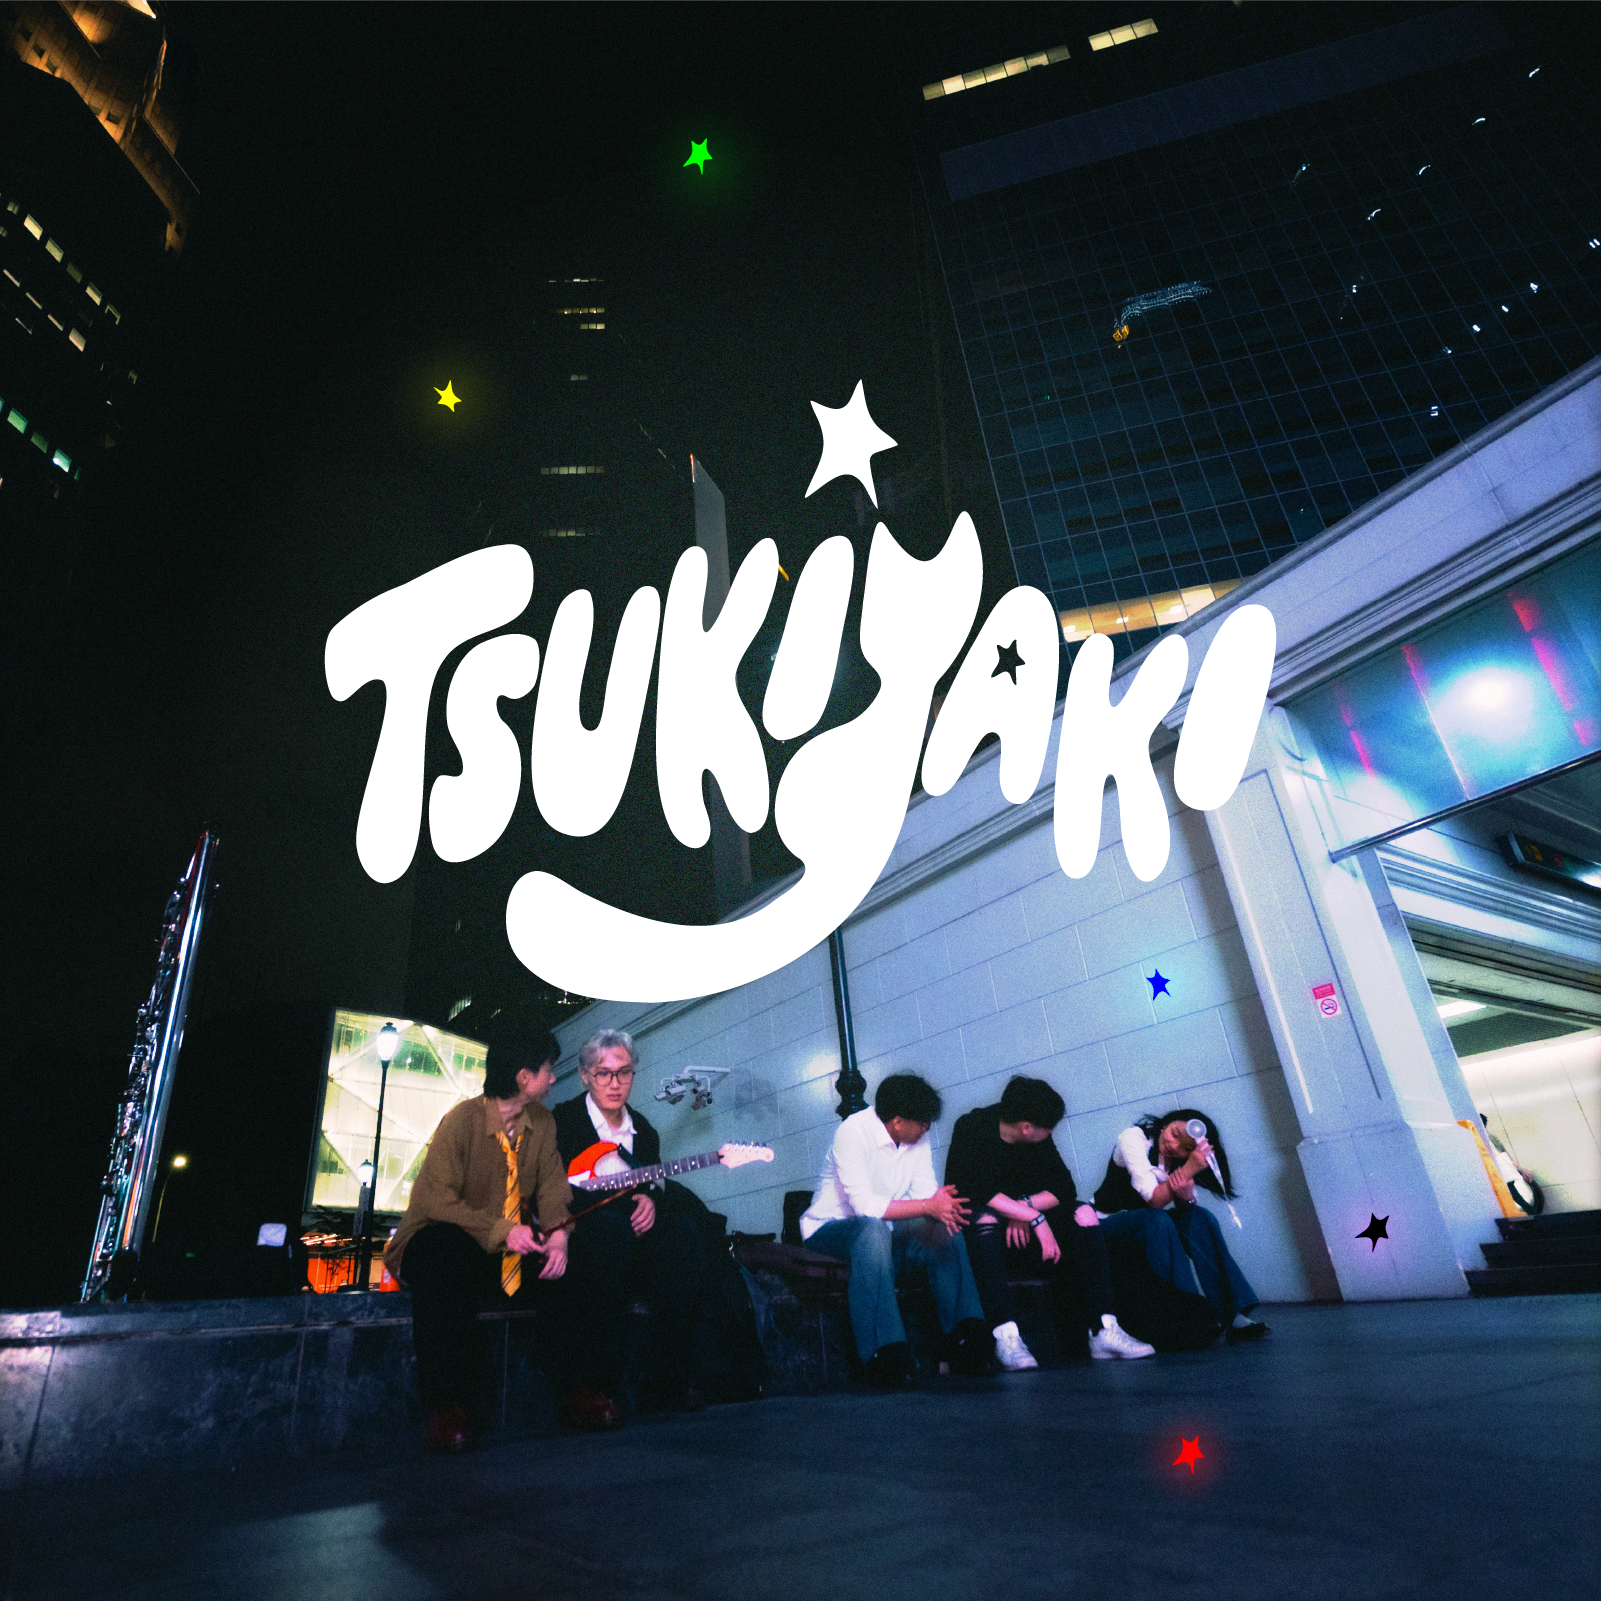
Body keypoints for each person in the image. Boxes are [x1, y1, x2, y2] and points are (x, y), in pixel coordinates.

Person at [384, 1031, 578, 1453]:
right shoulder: (462, 1120)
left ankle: (577, 1391)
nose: (553, 1077)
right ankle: (446, 1406)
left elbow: (552, 1189)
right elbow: (436, 1202)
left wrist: (559, 1236)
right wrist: (504, 1230)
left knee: (572, 1263)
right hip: (438, 1241)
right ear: (524, 1077)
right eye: (548, 1069)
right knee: (446, 1251)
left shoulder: (543, 1123)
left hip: (500, 1249)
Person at [944, 1077, 1154, 1368]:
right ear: (1026, 1127)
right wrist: (1033, 1217)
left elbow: (1064, 1188)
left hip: (1024, 1224)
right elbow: (972, 1191)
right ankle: (1005, 1336)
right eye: (1048, 1128)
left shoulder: (1037, 1136)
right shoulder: (971, 1126)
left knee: (1084, 1214)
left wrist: (1023, 1209)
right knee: (984, 1219)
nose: (1051, 1132)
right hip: (987, 1235)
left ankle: (1103, 1329)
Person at [800, 1073, 992, 1387]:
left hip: (883, 1232)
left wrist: (938, 1208)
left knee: (943, 1227)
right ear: (898, 1122)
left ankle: (965, 1339)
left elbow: (925, 1197)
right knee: (872, 1230)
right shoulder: (852, 1131)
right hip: (831, 1231)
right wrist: (929, 1205)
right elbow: (864, 1206)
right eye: (923, 1123)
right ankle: (883, 1354)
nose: (927, 1128)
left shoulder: (916, 1137)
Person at [551, 1029, 706, 1417]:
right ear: (585, 1076)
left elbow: (654, 1183)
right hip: (586, 1237)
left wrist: (650, 1199)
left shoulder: (644, 1130)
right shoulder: (563, 1121)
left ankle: (664, 1378)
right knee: (610, 1230)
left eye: (623, 1072)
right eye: (603, 1073)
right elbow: (555, 1191)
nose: (614, 1083)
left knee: (682, 1233)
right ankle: (594, 1385)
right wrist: (622, 1202)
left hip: (635, 1240)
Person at [1093, 1109, 1269, 1342]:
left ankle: (1232, 1315)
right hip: (1105, 1224)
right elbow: (1154, 1200)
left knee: (1199, 1217)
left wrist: (1186, 1199)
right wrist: (1191, 1167)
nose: (1174, 1146)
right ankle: (1186, 1318)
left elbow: (1183, 1206)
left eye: (1186, 1147)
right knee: (1157, 1218)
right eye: (1174, 1133)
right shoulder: (1133, 1138)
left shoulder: (1178, 1161)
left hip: (1148, 1223)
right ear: (1167, 1122)